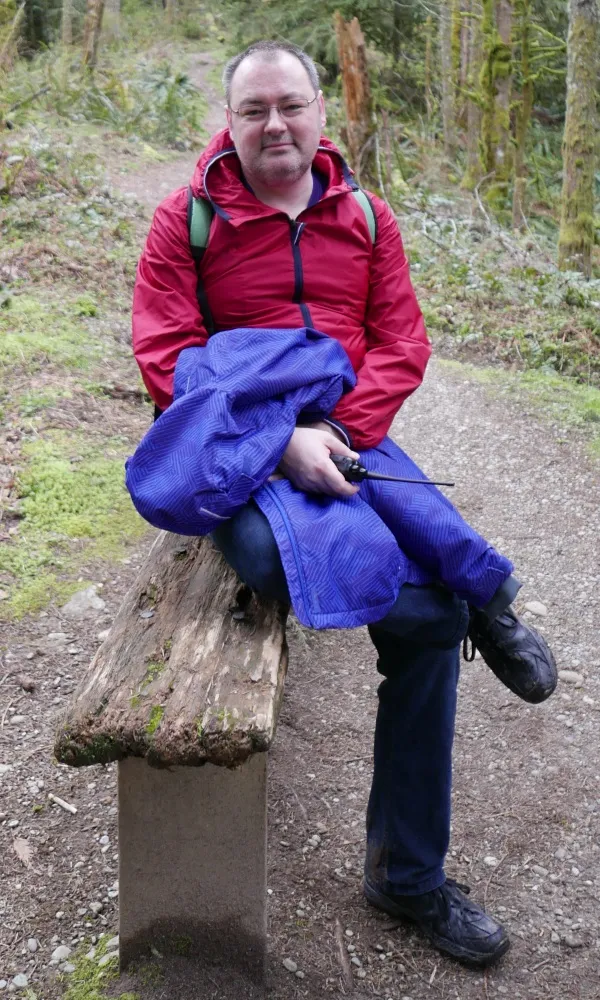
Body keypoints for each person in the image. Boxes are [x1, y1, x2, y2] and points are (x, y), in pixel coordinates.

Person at [132, 40, 557, 967]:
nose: (274, 124)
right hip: (239, 454)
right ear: (231, 119)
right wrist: (279, 444)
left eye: (291, 104)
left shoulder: (366, 216)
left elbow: (401, 341)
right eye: (254, 109)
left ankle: (407, 876)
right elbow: (167, 358)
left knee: (425, 617)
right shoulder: (188, 220)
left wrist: (339, 435)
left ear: (321, 110)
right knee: (309, 573)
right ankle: (472, 607)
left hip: (349, 433)